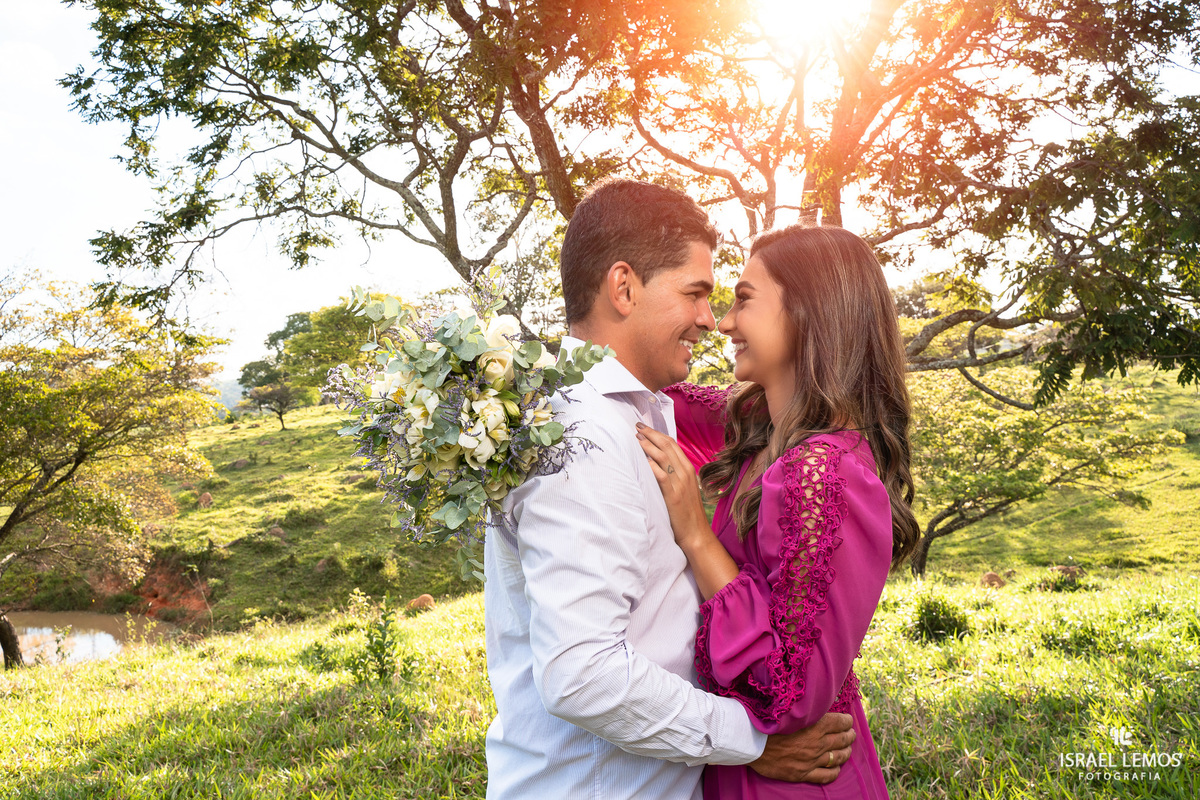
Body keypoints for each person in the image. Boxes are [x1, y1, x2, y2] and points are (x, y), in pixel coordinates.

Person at [484, 180, 857, 799]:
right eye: (695, 294)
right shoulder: (581, 436)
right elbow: (582, 674)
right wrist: (753, 738)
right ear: (623, 287)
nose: (711, 321)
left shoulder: (636, 411)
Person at [636, 225, 920, 799]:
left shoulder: (822, 471)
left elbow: (785, 689)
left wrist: (697, 536)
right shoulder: (760, 426)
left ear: (808, 313)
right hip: (745, 758)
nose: (723, 321)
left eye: (743, 299)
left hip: (795, 778)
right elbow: (650, 390)